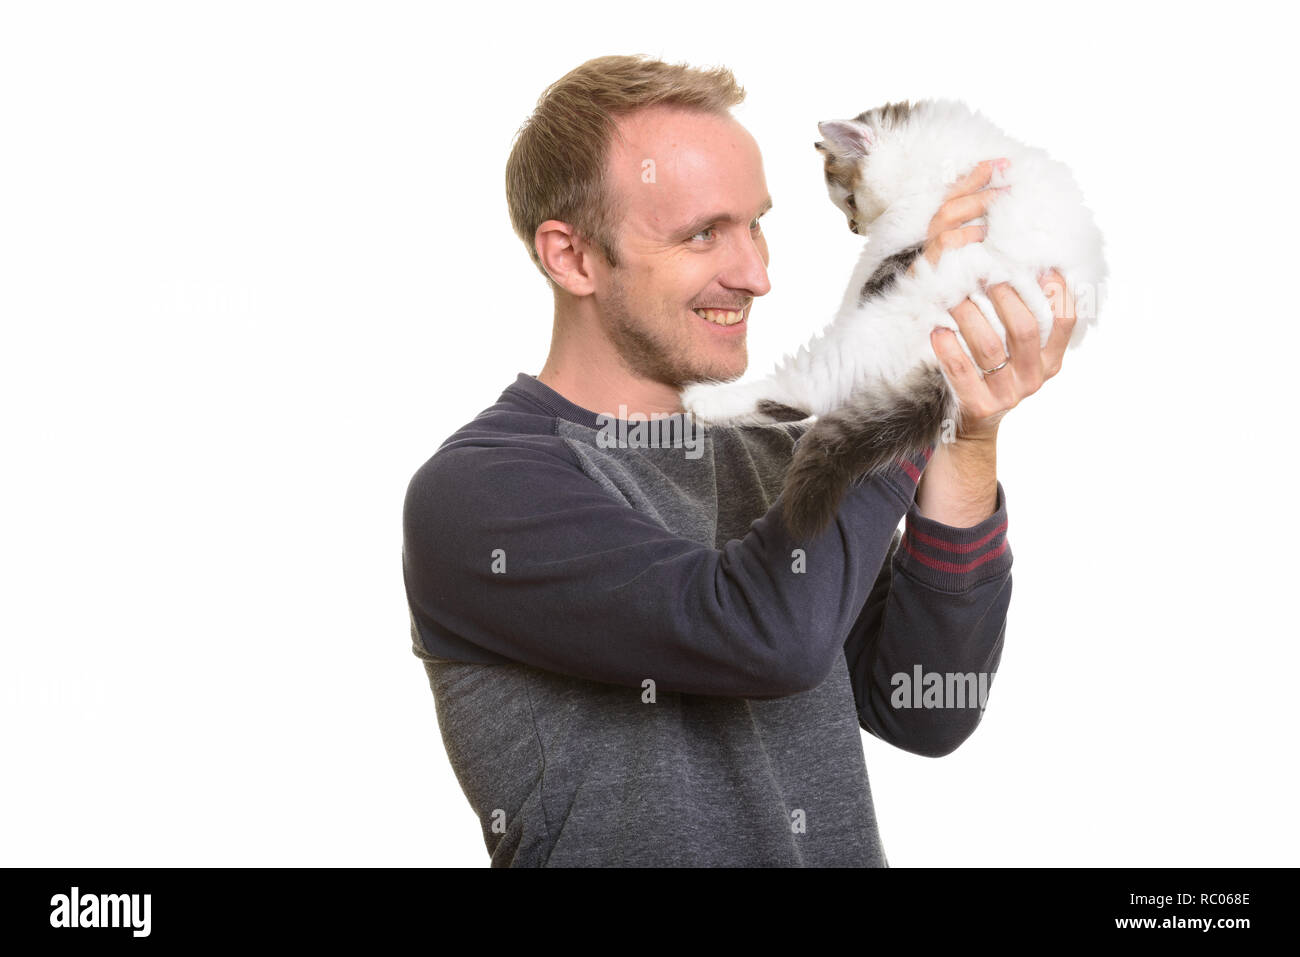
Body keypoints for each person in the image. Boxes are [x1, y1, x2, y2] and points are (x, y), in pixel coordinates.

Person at [401, 55, 1077, 867]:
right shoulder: (479, 495)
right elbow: (767, 635)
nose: (756, 274)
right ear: (572, 257)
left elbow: (922, 707)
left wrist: (962, 435)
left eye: (755, 224)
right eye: (702, 234)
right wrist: (907, 363)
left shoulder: (777, 453)